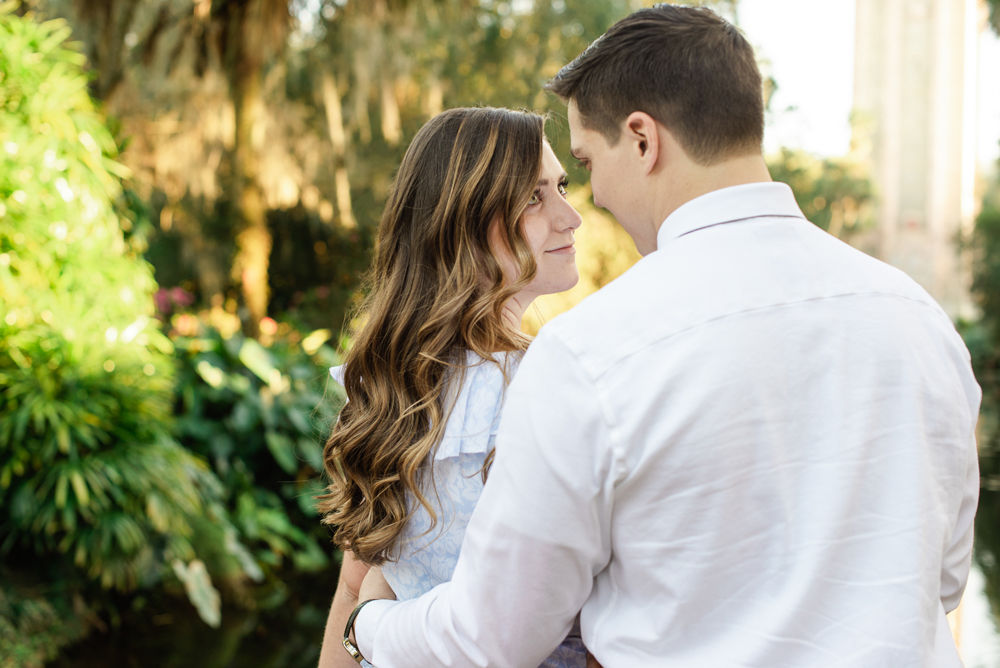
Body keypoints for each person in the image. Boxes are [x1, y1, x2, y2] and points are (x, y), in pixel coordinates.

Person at [348, 5, 982, 668]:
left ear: (643, 140)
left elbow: (493, 638)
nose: (590, 203)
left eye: (587, 163)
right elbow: (941, 579)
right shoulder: (920, 320)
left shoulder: (591, 352)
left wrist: (369, 627)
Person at [315, 106, 586, 668]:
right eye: (534, 197)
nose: (570, 216)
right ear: (464, 217)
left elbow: (356, 599)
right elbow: (352, 589)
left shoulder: (386, 383)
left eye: (561, 187)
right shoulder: (389, 387)